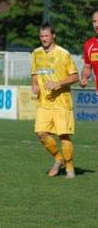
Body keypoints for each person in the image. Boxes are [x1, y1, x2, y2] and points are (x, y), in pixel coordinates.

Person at [31, 23, 79, 179]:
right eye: (41, 36)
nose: (44, 39)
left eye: (46, 36)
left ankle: (70, 167)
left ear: (53, 36)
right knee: (40, 133)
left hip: (62, 103)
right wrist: (34, 85)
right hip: (44, 103)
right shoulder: (36, 53)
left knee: (64, 136)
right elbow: (34, 74)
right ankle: (59, 159)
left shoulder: (63, 54)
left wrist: (57, 83)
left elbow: (75, 77)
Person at [80, 11, 98, 92]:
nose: (96, 25)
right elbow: (87, 67)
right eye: (94, 21)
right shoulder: (88, 44)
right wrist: (84, 77)